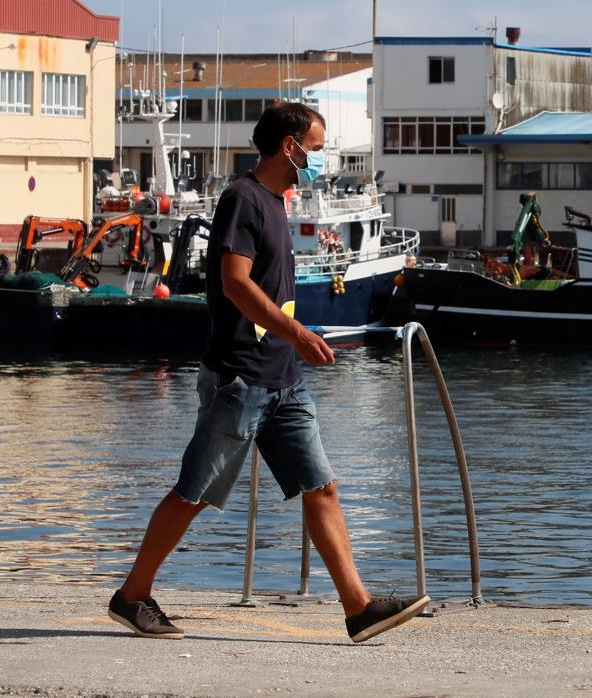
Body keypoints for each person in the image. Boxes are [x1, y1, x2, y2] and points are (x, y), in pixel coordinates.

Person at [108, 102, 429, 644]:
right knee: (194, 491)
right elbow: (235, 282)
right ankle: (132, 596)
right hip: (240, 378)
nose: (320, 160)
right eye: (317, 149)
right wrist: (297, 333)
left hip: (283, 382)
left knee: (320, 487)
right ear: (289, 145)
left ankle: (359, 608)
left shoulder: (278, 203)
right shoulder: (243, 199)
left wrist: (291, 343)